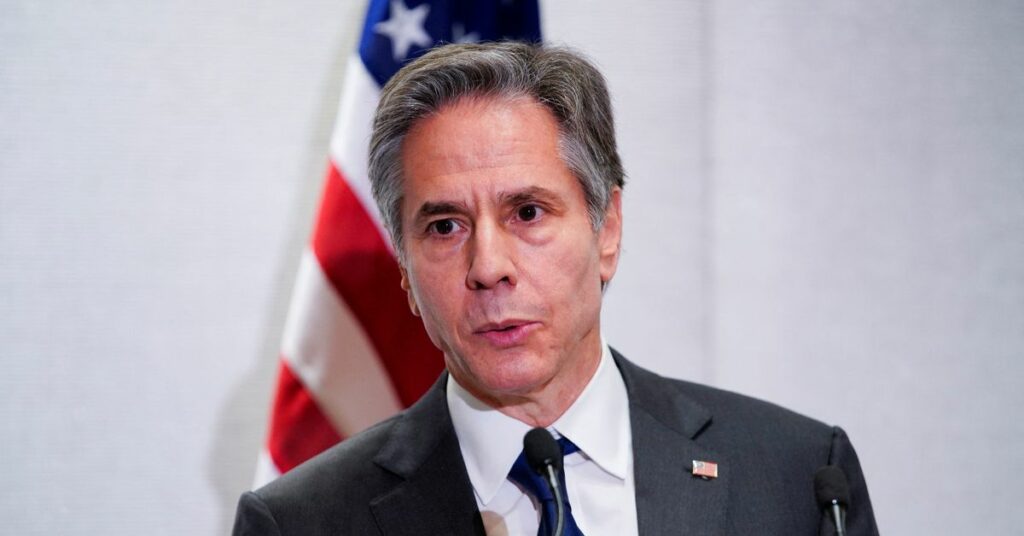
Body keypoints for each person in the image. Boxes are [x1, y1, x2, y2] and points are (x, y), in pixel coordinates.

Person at [232, 42, 879, 536]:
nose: (488, 266)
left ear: (608, 229)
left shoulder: (797, 478)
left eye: (528, 213)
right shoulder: (303, 524)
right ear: (403, 268)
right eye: (445, 225)